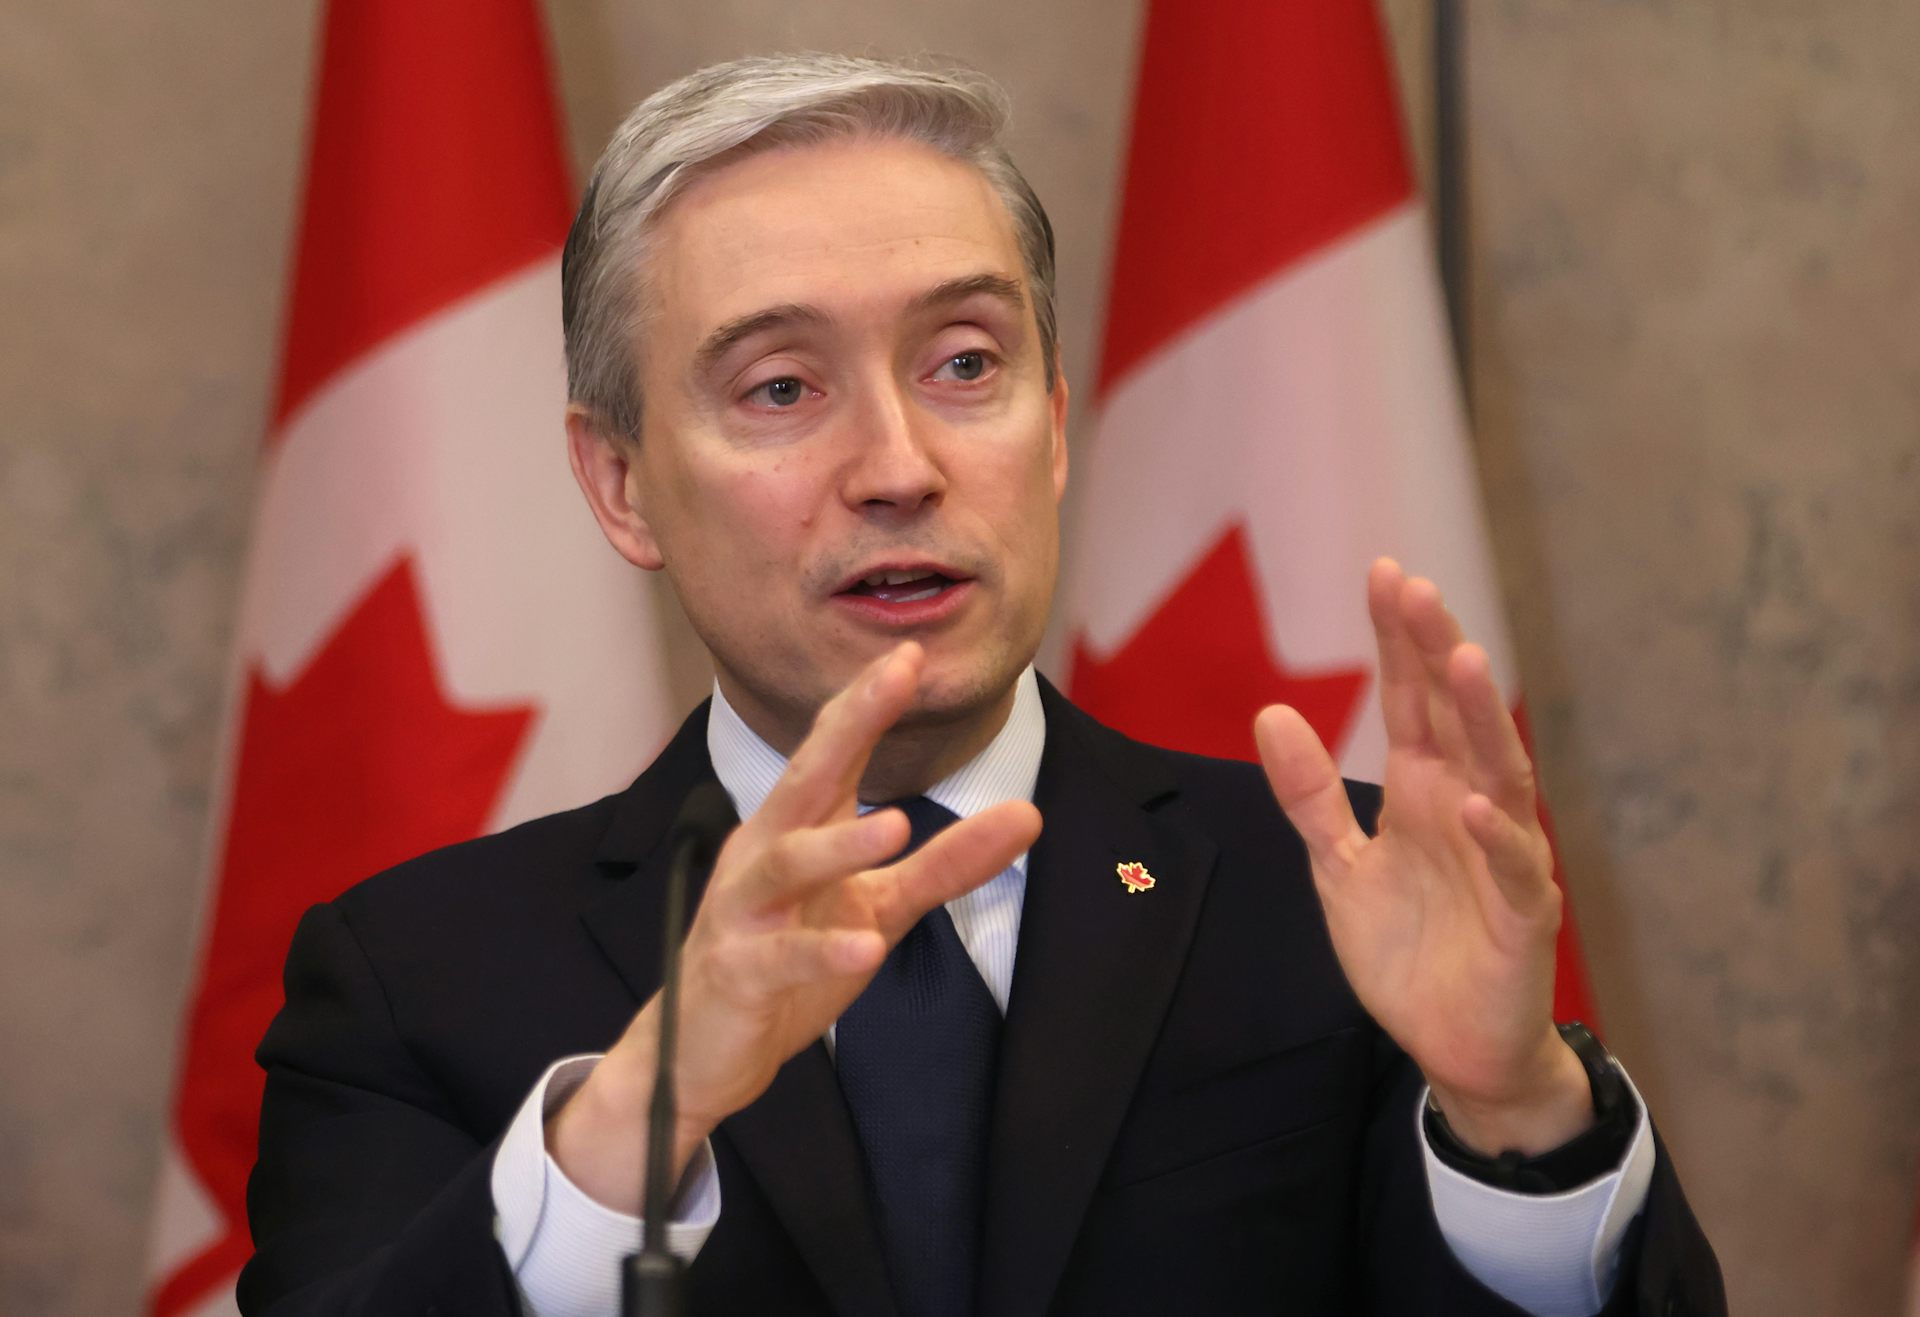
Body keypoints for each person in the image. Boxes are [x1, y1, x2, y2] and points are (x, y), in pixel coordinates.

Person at [239, 54, 1724, 1316]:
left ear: (1057, 424)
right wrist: (638, 1121)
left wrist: (1517, 1110)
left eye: (965, 363)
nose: (898, 467)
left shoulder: (1335, 897)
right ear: (621, 485)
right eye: (779, 389)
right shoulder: (412, 980)